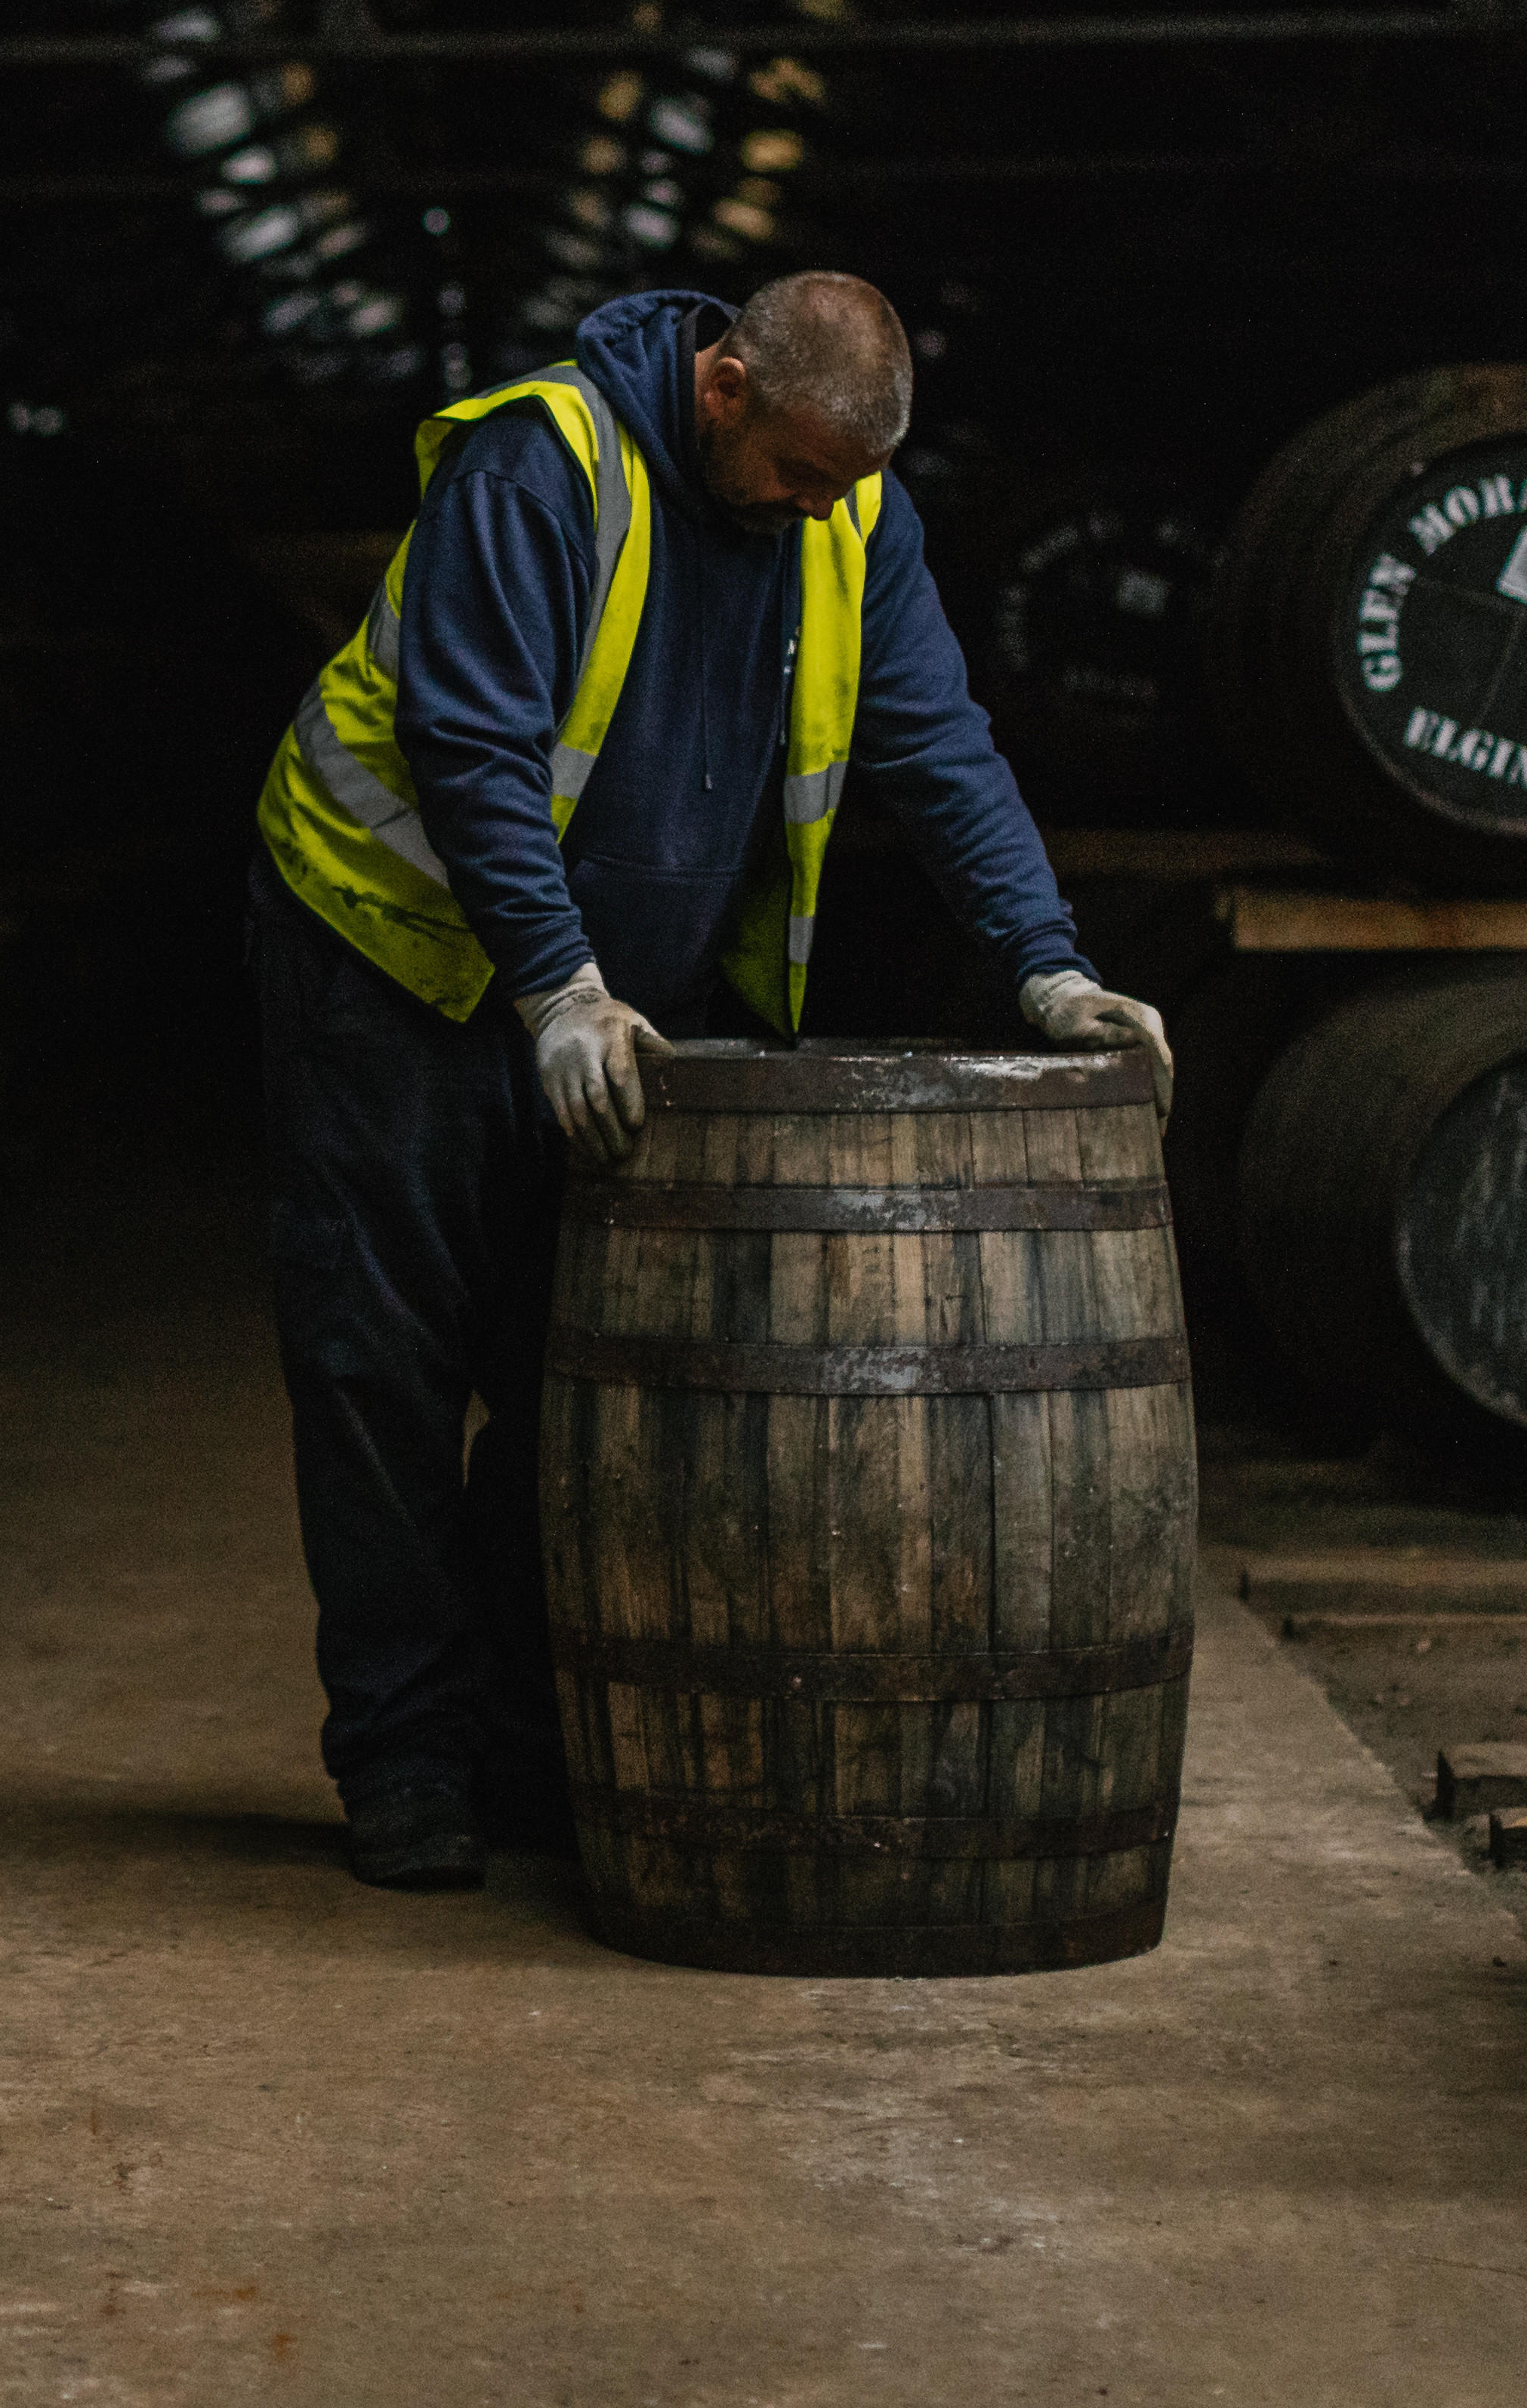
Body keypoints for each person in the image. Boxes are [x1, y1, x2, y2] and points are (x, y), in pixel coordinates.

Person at [248, 273, 1174, 1888]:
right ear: (723, 383)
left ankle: (526, 1750)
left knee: (572, 1379)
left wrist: (1047, 961)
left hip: (615, 1003)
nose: (817, 506)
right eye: (800, 470)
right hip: (390, 960)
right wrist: (553, 986)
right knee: (377, 1362)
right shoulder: (541, 466)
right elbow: (468, 743)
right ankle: (401, 1758)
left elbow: (936, 742)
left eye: (844, 483)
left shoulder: (848, 510)